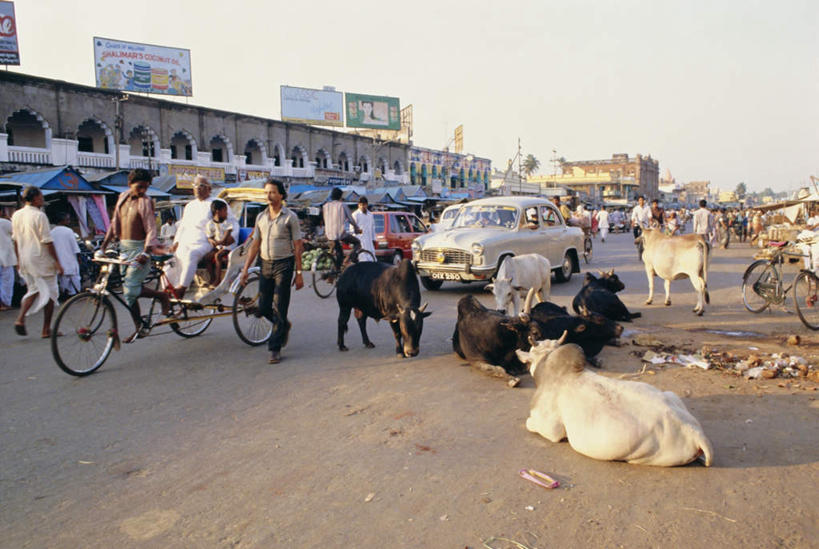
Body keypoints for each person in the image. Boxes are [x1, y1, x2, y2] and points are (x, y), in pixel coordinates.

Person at [100, 169, 173, 342]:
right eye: (140, 187)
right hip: (124, 249)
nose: (142, 191)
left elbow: (150, 229)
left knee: (131, 289)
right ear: (130, 184)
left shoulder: (146, 202)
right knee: (128, 295)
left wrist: (146, 253)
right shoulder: (123, 197)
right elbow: (113, 224)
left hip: (140, 249)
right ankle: (139, 327)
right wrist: (103, 247)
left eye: (146, 188)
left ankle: (162, 296)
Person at [239, 179, 304, 364]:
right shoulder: (261, 217)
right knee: (264, 307)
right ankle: (284, 325)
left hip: (284, 265)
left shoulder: (290, 217)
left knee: (280, 307)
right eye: (266, 192)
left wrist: (299, 274)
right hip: (265, 264)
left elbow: (298, 246)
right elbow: (254, 245)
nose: (268, 196)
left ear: (281, 195)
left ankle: (274, 349)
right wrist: (245, 270)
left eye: (273, 192)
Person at [10, 186, 63, 337]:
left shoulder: (17, 215)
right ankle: (46, 329)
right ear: (34, 199)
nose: (42, 199)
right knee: (52, 294)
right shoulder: (40, 216)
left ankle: (20, 319)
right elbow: (47, 241)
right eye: (40, 196)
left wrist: (18, 259)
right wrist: (57, 262)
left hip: (26, 258)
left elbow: (15, 240)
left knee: (34, 289)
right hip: (41, 259)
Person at [168, 175, 214, 297]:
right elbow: (183, 226)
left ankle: (182, 288)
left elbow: (229, 224)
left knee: (191, 255)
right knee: (169, 258)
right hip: (186, 241)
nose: (197, 188)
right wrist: (176, 243)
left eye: (201, 186)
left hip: (204, 242)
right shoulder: (190, 206)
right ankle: (169, 289)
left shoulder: (216, 204)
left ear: (209, 189)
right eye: (195, 185)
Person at [322, 187, 361, 270]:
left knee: (338, 252)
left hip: (328, 234)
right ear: (340, 196)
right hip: (340, 234)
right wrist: (356, 228)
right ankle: (347, 260)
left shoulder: (325, 206)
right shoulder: (342, 205)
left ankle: (334, 272)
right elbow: (351, 219)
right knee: (357, 242)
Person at [203, 199, 235, 286]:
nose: (226, 213)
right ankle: (212, 277)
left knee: (218, 256)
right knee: (207, 257)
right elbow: (210, 237)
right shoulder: (210, 224)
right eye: (225, 210)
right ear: (218, 211)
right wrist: (212, 241)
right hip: (218, 247)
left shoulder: (227, 222)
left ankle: (218, 279)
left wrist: (219, 242)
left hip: (227, 246)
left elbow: (226, 237)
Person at [50, 211, 81, 299]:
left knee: (63, 280)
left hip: (60, 261)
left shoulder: (52, 232)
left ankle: (66, 293)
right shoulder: (69, 231)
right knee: (75, 278)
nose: (69, 221)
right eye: (67, 219)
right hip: (71, 259)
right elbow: (75, 247)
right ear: (62, 221)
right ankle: (75, 294)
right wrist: (79, 257)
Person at [351, 196, 376, 262]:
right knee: (362, 261)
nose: (362, 206)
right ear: (358, 205)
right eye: (360, 205)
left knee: (372, 261)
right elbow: (352, 230)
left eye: (364, 205)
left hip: (369, 242)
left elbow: (373, 228)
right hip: (360, 242)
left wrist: (374, 239)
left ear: (367, 205)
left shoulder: (370, 215)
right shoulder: (355, 215)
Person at [0, 208, 16, 311]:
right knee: (7, 282)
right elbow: (16, 234)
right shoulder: (5, 223)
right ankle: (5, 303)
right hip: (5, 257)